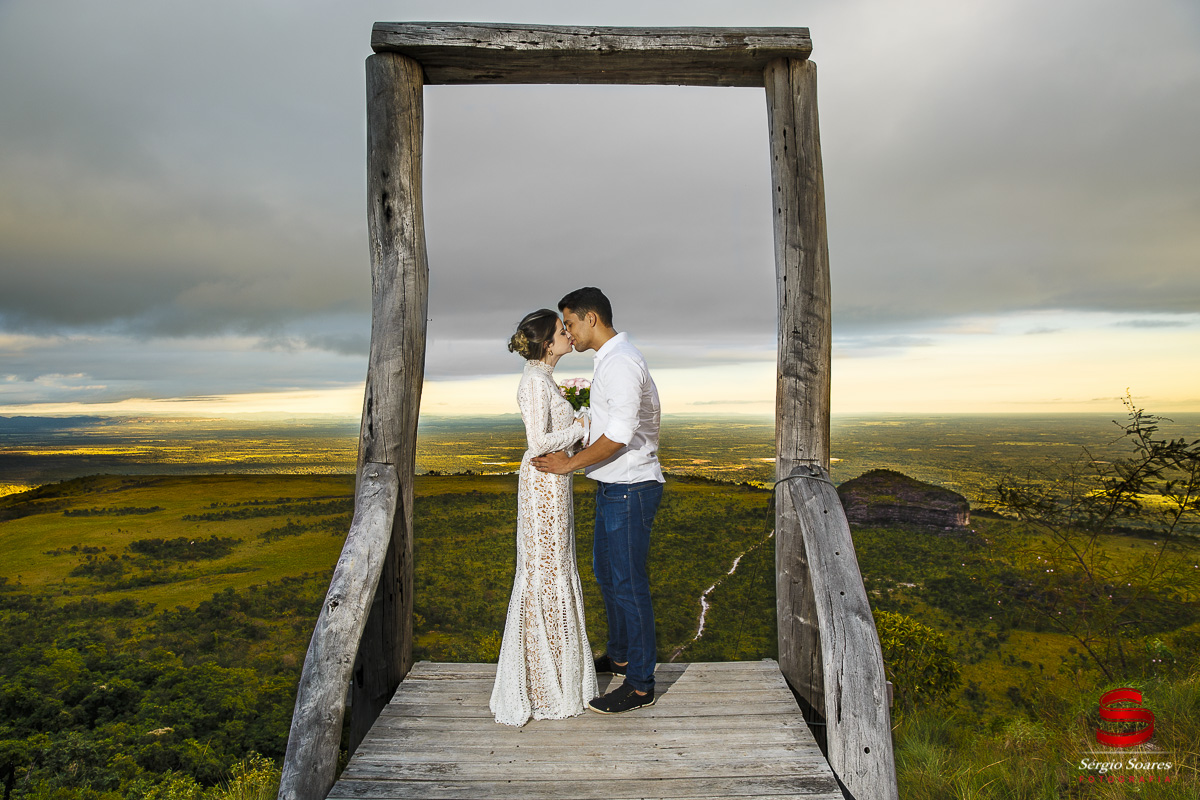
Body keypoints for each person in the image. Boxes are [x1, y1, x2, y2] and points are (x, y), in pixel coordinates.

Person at [533, 287, 664, 714]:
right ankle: (622, 657)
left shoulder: (622, 363)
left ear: (591, 318)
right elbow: (601, 424)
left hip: (630, 487)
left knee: (628, 583)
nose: (568, 332)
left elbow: (620, 435)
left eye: (569, 323)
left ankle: (641, 684)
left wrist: (567, 466)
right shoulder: (609, 362)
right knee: (607, 575)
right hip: (614, 486)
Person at [490, 309, 599, 726]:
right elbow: (538, 441)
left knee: (553, 568)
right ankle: (541, 683)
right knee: (545, 571)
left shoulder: (543, 378)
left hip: (554, 482)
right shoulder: (535, 382)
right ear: (547, 343)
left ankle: (552, 675)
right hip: (543, 482)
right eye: (561, 331)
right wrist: (582, 426)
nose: (568, 335)